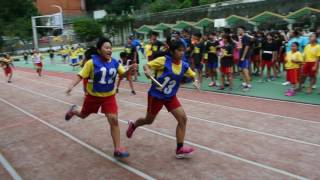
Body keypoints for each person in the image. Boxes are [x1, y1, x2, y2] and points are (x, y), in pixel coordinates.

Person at [126, 40, 200, 159]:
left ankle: (179, 148)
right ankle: (133, 125)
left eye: (183, 50)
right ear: (172, 51)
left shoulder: (184, 65)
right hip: (156, 96)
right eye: (179, 50)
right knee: (148, 120)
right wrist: (147, 71)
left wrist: (196, 81)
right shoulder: (163, 61)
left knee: (183, 119)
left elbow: (193, 75)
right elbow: (147, 65)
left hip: (170, 97)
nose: (182, 53)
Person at [65, 37, 135, 158]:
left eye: (110, 48)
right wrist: (71, 85)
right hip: (93, 97)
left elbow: (122, 74)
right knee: (83, 115)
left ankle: (118, 148)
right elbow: (80, 75)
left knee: (113, 119)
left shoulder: (115, 62)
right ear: (99, 50)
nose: (109, 50)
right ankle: (74, 110)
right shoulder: (91, 63)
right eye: (106, 47)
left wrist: (129, 70)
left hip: (109, 97)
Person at [237, 26, 252, 91]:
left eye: (239, 30)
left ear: (243, 30)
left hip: (244, 57)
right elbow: (242, 47)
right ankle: (244, 83)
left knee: (245, 70)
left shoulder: (245, 37)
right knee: (241, 70)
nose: (238, 31)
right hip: (241, 56)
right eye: (238, 30)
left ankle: (248, 85)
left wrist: (243, 56)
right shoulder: (242, 37)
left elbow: (247, 47)